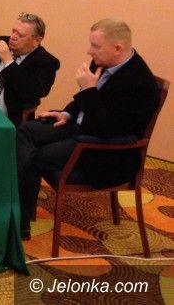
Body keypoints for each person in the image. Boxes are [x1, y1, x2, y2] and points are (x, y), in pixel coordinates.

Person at [16, 19, 159, 239]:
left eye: (95, 46)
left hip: (102, 150)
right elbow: (83, 101)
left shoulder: (139, 84)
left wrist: (89, 90)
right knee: (25, 131)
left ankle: (19, 224)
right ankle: (9, 204)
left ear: (117, 48)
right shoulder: (103, 61)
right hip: (80, 127)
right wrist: (67, 113)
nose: (89, 51)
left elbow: (107, 129)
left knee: (31, 156)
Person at [0, 12, 60, 127]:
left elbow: (32, 92)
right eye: (13, 31)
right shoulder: (0, 43)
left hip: (3, 116)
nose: (13, 37)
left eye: (20, 35)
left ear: (37, 41)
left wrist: (9, 62)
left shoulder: (46, 62)